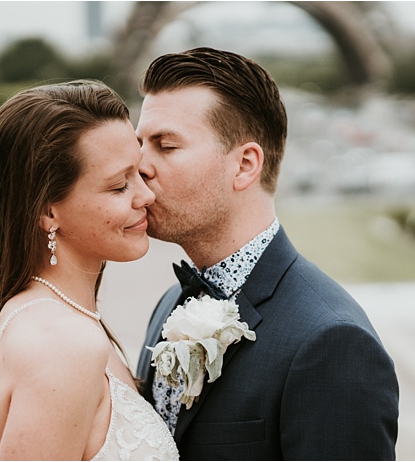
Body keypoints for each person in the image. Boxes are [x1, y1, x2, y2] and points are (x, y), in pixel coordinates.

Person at [134, 47, 399, 460]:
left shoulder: (332, 342)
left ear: (244, 165)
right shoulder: (170, 303)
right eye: (140, 145)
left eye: (165, 146)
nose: (140, 166)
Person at [0, 80, 179, 460]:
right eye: (119, 186)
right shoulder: (62, 343)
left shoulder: (42, 314)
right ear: (48, 211)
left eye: (140, 174)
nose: (146, 196)